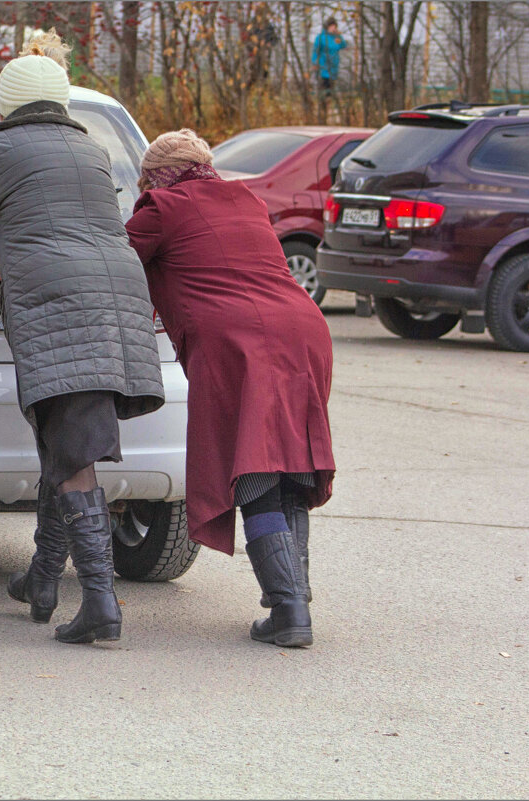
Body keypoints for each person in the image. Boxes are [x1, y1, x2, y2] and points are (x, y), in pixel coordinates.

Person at [0, 49, 165, 645]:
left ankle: (101, 604)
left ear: (6, 102)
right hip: (117, 294)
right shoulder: (90, 147)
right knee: (63, 440)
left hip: (60, 299)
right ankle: (44, 581)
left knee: (74, 450)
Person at [125, 129, 336, 648]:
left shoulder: (162, 206)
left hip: (236, 341)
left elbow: (113, 259)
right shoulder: (246, 198)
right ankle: (293, 605)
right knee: (290, 467)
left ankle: (288, 612)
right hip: (303, 331)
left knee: (254, 470)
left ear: (157, 174)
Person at [311, 17, 347, 119]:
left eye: (335, 26)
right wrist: (315, 62)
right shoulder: (321, 38)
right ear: (327, 26)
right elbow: (315, 51)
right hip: (323, 69)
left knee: (331, 91)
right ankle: (323, 111)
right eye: (332, 26)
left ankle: (328, 110)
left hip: (334, 69)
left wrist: (339, 35)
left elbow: (343, 45)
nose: (333, 28)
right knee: (325, 91)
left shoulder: (336, 38)